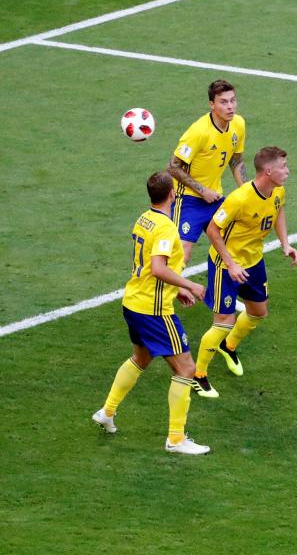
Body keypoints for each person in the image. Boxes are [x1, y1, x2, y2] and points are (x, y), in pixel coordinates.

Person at [91, 171, 210, 455]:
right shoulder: (167, 227)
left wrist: (175, 289)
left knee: (141, 358)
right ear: (172, 194)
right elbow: (158, 267)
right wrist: (189, 284)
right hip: (153, 311)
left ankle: (107, 412)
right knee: (186, 369)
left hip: (133, 302)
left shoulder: (144, 218)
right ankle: (176, 439)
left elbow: (149, 268)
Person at [191, 146, 297, 397]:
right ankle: (198, 375)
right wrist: (230, 263)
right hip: (225, 265)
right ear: (268, 171)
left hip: (253, 262)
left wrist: (285, 243)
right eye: (283, 167)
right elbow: (212, 230)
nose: (287, 171)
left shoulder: (278, 191)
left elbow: (278, 211)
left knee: (258, 312)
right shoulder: (239, 199)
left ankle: (228, 347)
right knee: (222, 322)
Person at [167, 79, 247, 264]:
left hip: (215, 197)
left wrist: (246, 190)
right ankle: (167, 289)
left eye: (232, 100)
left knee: (236, 240)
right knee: (182, 254)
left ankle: (222, 288)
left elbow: (236, 161)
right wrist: (202, 191)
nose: (230, 107)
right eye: (223, 102)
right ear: (212, 105)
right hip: (187, 199)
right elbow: (172, 166)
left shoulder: (239, 124)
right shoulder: (198, 132)